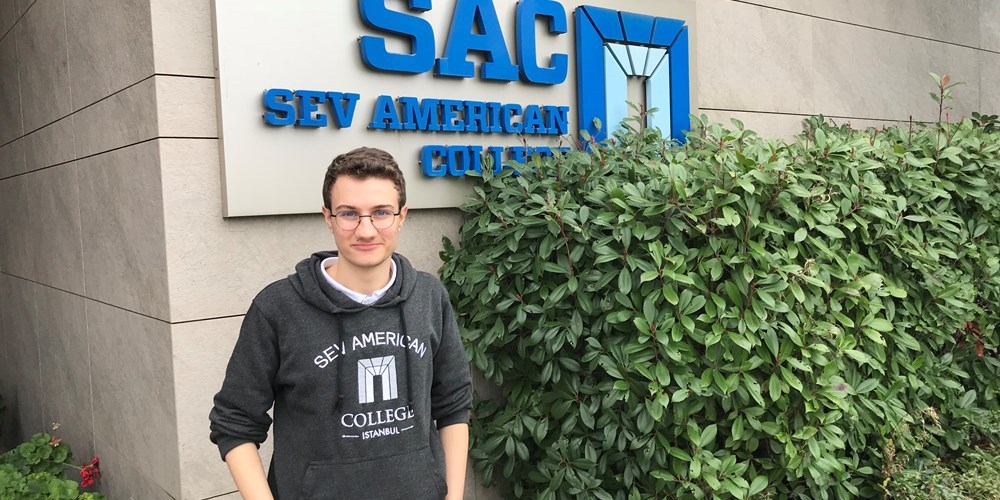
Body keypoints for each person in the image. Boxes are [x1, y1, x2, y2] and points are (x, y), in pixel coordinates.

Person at [209, 147, 473, 499]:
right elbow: (235, 422)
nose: (366, 230)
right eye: (349, 213)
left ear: (402, 216)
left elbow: (453, 404)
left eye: (381, 213)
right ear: (328, 218)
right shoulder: (278, 308)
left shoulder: (429, 296)